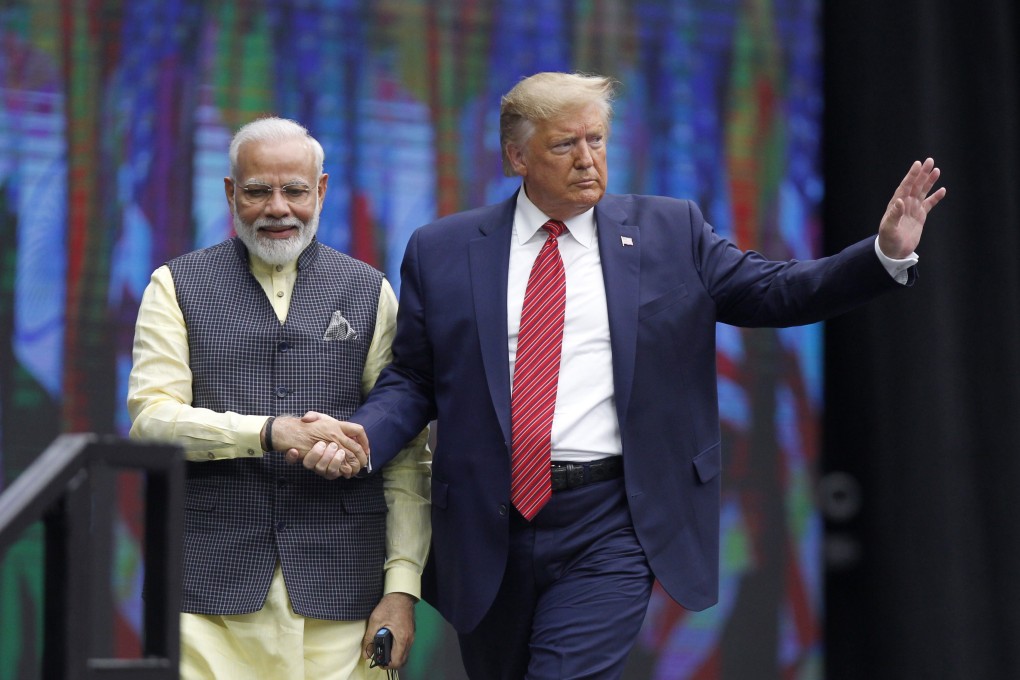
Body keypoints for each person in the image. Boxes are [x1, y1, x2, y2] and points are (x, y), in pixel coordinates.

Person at [290, 72, 946, 679]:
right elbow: (414, 379)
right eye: (565, 145)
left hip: (611, 519)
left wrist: (884, 253)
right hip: (488, 525)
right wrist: (364, 434)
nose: (588, 159)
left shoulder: (669, 231)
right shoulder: (444, 249)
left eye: (597, 140)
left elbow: (778, 291)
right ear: (517, 158)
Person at [127, 116, 430, 679]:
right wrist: (268, 431)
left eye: (294, 190)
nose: (277, 207)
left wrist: (402, 590)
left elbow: (407, 455)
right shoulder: (175, 284)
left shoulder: (369, 290)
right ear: (229, 193)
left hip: (346, 594)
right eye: (257, 191)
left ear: (320, 190)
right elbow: (151, 423)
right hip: (204, 595)